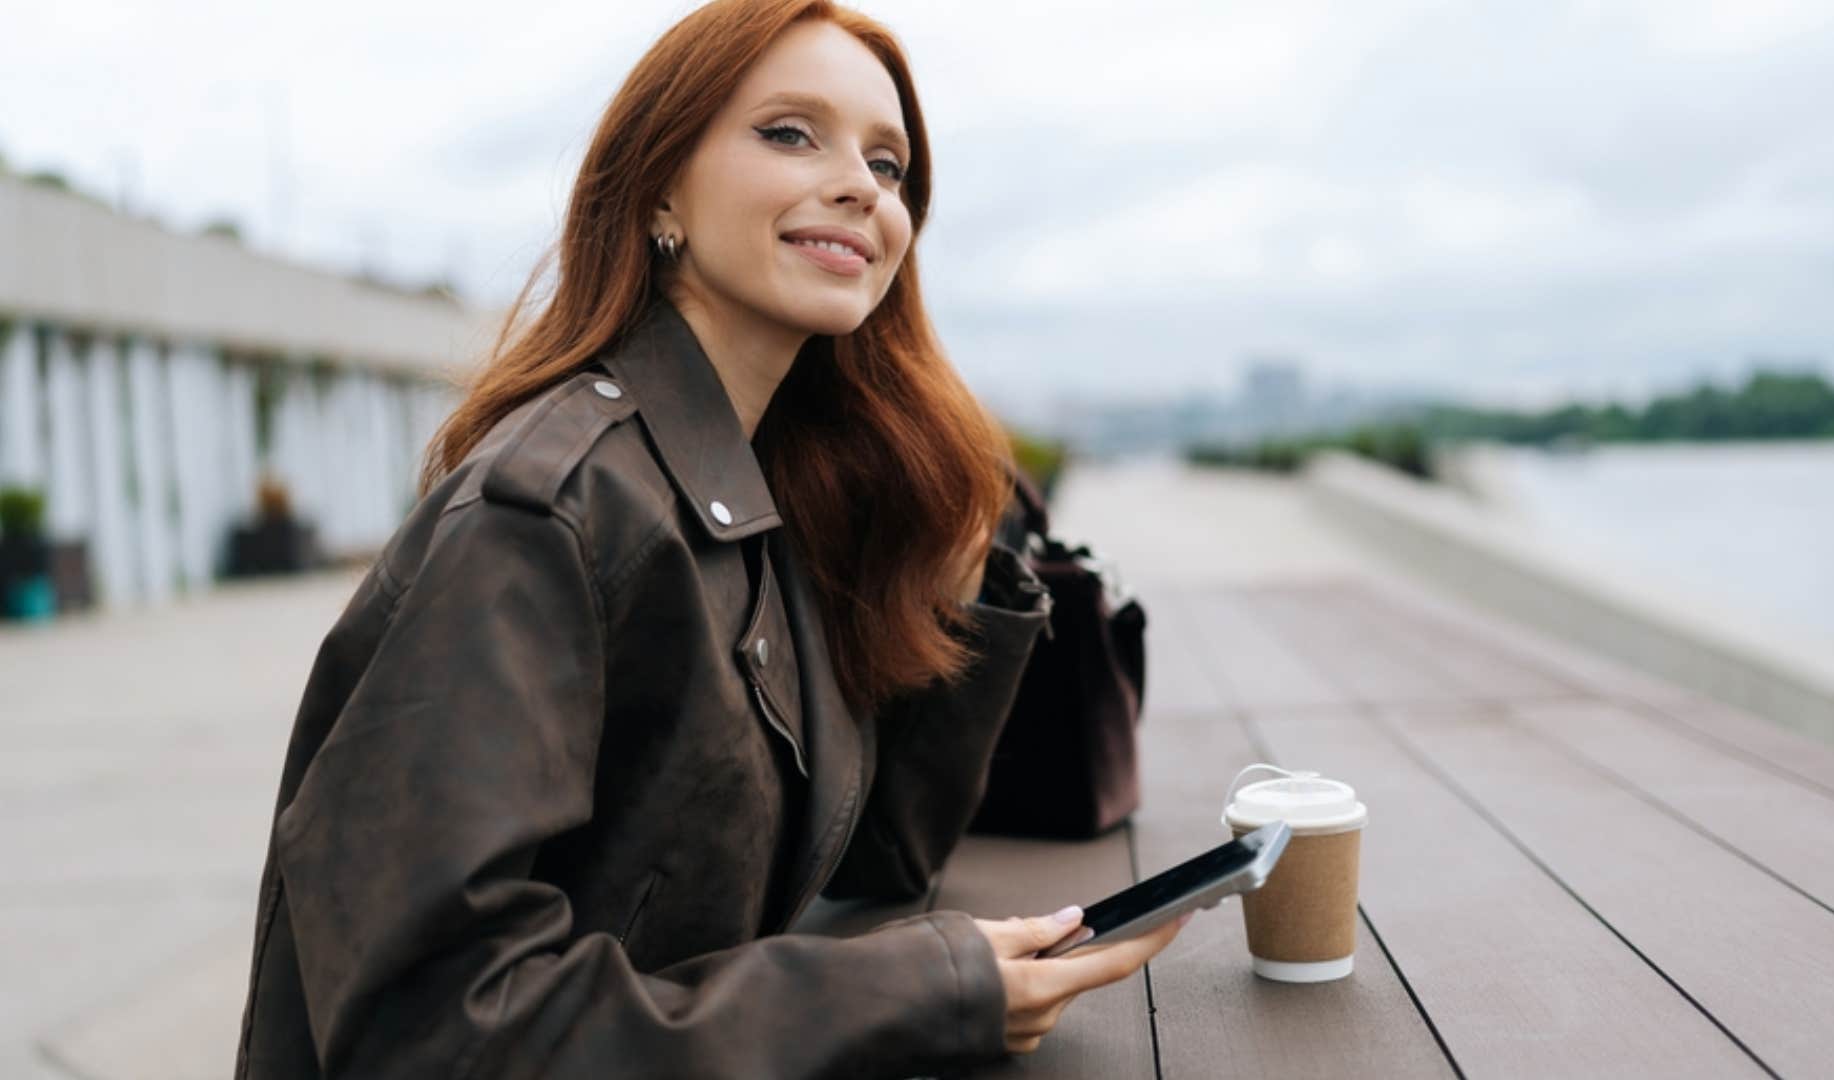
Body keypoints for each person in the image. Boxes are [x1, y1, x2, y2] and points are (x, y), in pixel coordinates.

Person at [233, 1, 1188, 1077]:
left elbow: (873, 854)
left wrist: (956, 560)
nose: (861, 185)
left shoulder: (764, 490)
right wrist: (922, 990)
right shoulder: (548, 514)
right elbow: (438, 1029)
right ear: (658, 191)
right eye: (790, 132)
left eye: (889, 163)